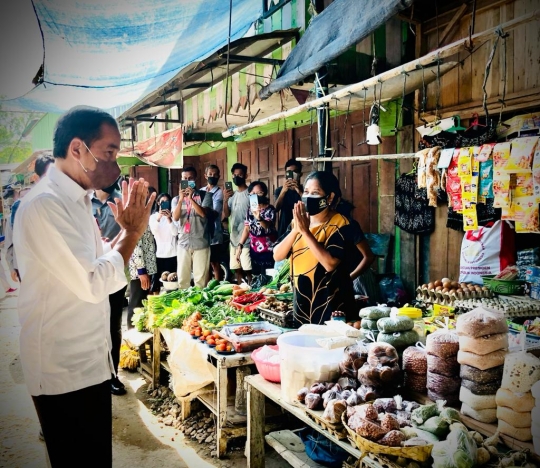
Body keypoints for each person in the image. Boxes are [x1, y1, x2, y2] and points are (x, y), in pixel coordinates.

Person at [13, 105, 155, 467]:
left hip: (88, 362)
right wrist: (133, 233)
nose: (115, 164)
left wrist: (123, 234)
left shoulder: (78, 200)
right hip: (62, 369)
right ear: (78, 149)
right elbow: (94, 282)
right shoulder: (46, 205)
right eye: (109, 152)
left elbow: (94, 261)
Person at [273, 171, 356, 324]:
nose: (308, 197)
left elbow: (330, 263)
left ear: (329, 197)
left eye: (315, 193)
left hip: (332, 304)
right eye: (306, 192)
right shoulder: (298, 221)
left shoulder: (341, 224)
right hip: (303, 303)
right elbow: (277, 255)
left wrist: (305, 232)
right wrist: (296, 230)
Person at [92, 179, 129, 396]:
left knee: (113, 326)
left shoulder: (121, 200)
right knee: (92, 326)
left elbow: (131, 233)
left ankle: (113, 375)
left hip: (114, 272)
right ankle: (95, 376)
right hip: (89, 272)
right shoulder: (83, 202)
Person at [6, 152, 54, 284]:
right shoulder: (20, 207)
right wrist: (12, 266)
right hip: (29, 270)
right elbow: (11, 238)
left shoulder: (63, 203)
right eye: (47, 176)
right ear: (36, 178)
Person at [172, 166, 213, 289]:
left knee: (200, 280)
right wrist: (181, 200)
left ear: (195, 179)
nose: (187, 180)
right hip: (183, 243)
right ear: (181, 180)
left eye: (190, 178)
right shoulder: (175, 199)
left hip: (200, 243)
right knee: (182, 279)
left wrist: (191, 199)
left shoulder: (206, 196)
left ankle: (198, 306)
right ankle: (184, 306)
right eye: (185, 178)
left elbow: (203, 214)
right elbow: (175, 217)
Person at [334, 198, 380, 303]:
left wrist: (350, 277)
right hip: (342, 278)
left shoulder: (350, 225)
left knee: (366, 312)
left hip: (359, 276)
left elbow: (368, 257)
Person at [236, 181, 277, 278]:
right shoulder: (249, 210)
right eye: (253, 194)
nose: (256, 196)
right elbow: (247, 228)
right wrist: (240, 246)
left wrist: (259, 218)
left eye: (259, 193)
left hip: (269, 252)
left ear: (265, 193)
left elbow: (267, 226)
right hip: (255, 251)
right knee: (256, 277)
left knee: (269, 279)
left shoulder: (270, 209)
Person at [222, 163, 252, 284]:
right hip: (233, 238)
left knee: (247, 268)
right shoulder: (232, 195)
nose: (236, 177)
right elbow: (226, 214)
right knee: (236, 268)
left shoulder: (250, 194)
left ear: (246, 175)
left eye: (240, 175)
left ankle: (252, 290)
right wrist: (225, 199)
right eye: (234, 175)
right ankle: (240, 291)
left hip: (247, 238)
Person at [127, 223, 157, 328]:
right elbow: (135, 247)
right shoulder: (137, 222)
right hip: (139, 272)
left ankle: (137, 330)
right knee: (136, 303)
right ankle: (132, 332)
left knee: (141, 302)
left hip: (145, 269)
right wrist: (141, 271)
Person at [149, 193, 178, 292]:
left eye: (167, 202)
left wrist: (169, 218)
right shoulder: (153, 217)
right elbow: (154, 231)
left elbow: (175, 233)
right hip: (159, 255)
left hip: (173, 254)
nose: (164, 204)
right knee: (156, 284)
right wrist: (160, 217)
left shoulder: (174, 215)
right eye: (162, 202)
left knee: (173, 282)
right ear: (158, 203)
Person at [200, 165, 224, 281]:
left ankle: (218, 285)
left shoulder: (219, 192)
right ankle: (208, 286)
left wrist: (203, 210)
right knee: (205, 263)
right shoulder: (200, 191)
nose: (212, 176)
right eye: (210, 174)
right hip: (202, 232)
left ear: (219, 176)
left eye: (215, 175)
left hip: (215, 233)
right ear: (205, 176)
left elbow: (214, 213)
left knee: (215, 262)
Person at [274, 159, 303, 238]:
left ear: (300, 174)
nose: (292, 174)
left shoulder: (305, 190)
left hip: (302, 228)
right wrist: (283, 191)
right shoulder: (279, 190)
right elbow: (276, 209)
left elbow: (309, 207)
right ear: (285, 175)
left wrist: (300, 192)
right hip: (284, 229)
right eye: (289, 172)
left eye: (295, 172)